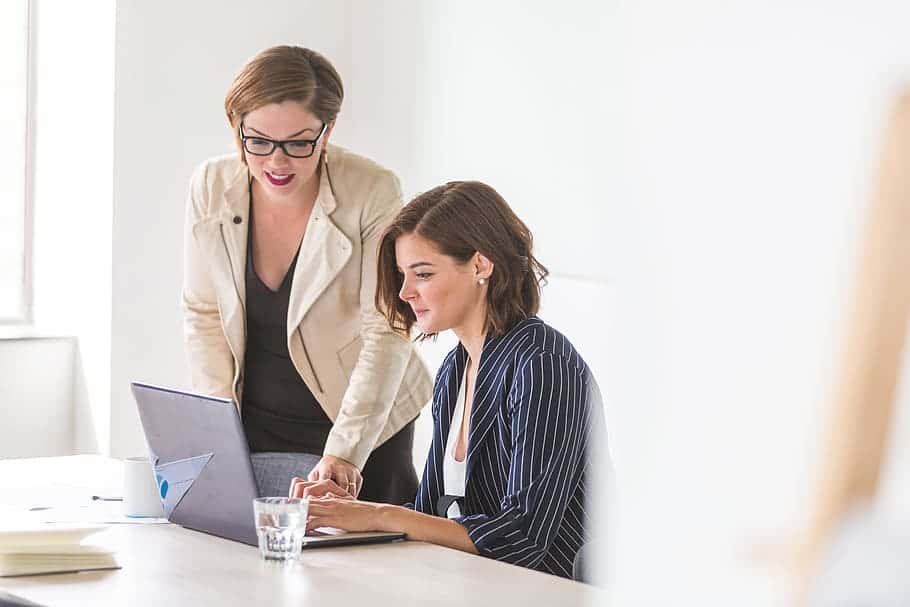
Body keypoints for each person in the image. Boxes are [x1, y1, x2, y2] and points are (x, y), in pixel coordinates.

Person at [291, 181, 607, 578]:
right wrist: (347, 512)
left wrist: (378, 514)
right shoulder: (455, 369)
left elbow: (520, 539)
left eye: (422, 273)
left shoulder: (542, 364)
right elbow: (429, 516)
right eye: (403, 274)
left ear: (480, 265)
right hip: (474, 585)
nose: (405, 292)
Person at [182, 45, 432, 504]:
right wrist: (217, 428)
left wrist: (345, 453)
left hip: (362, 423)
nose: (277, 162)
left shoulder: (372, 190)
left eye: (299, 143)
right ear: (236, 128)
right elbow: (204, 313)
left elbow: (387, 326)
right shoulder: (211, 186)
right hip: (255, 422)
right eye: (257, 141)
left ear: (328, 130)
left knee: (366, 566)